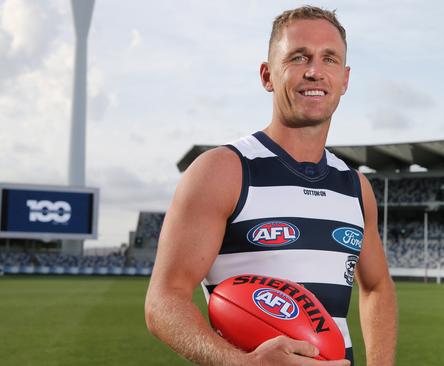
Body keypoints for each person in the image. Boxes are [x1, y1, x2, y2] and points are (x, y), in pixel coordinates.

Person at [145, 6, 397, 366]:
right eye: (298, 57)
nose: (315, 71)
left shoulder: (356, 187)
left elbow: (377, 287)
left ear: (344, 78)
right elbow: (163, 301)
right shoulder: (223, 170)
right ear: (267, 75)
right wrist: (244, 363)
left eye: (329, 59)